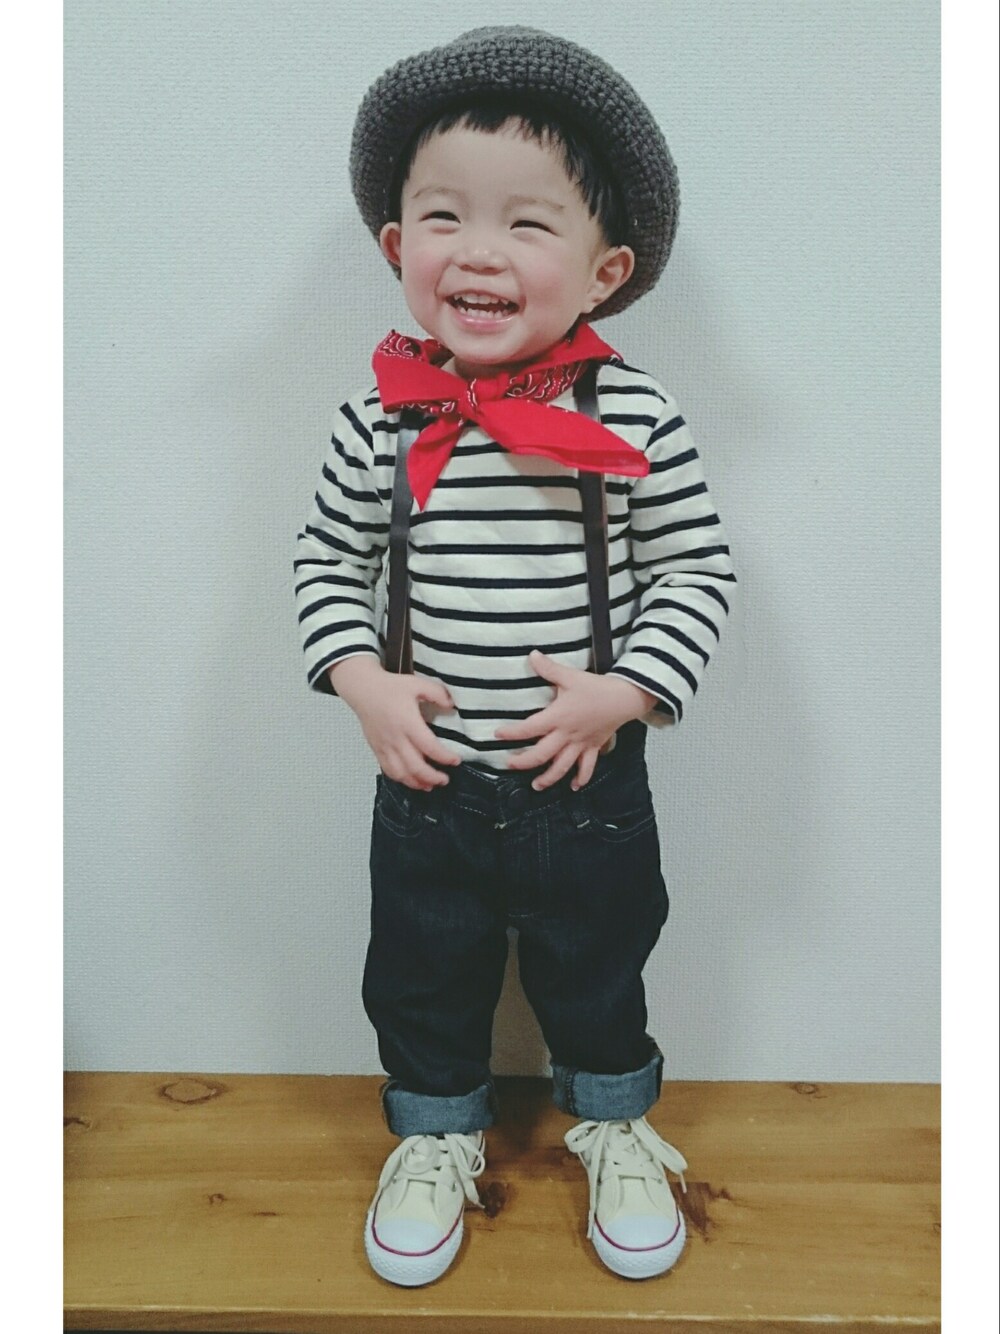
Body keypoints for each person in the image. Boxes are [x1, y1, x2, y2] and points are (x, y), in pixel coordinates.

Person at [294, 26, 736, 1286]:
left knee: (598, 963)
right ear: (398, 247)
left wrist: (626, 691)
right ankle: (435, 1131)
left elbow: (695, 569)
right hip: (428, 783)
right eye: (444, 216)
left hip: (584, 785)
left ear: (604, 271)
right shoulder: (377, 420)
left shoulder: (631, 412)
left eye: (527, 224)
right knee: (421, 972)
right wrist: (363, 683)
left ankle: (612, 1118)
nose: (478, 250)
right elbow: (326, 559)